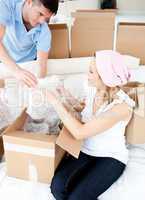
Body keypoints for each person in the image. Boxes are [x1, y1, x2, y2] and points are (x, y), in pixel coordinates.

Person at [44, 50, 135, 200]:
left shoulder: (121, 107)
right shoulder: (94, 89)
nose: (87, 75)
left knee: (76, 198)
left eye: (91, 72)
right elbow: (84, 109)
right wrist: (64, 95)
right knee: (57, 188)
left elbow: (80, 132)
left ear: (105, 78)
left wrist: (55, 103)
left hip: (109, 157)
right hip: (85, 150)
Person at [0, 0, 59, 87]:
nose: (42, 21)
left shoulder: (44, 31)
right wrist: (17, 71)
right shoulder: (6, 4)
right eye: (40, 14)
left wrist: (38, 86)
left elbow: (41, 67)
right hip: (4, 60)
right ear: (29, 2)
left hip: (28, 64)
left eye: (47, 18)